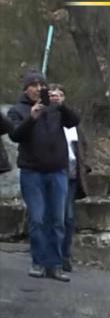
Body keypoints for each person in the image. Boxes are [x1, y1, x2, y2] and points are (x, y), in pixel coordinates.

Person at [7, 70, 79, 281]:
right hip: (32, 172)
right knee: (37, 218)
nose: (38, 88)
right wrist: (31, 118)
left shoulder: (55, 109)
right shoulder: (18, 110)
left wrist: (62, 105)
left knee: (58, 220)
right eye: (33, 84)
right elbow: (14, 134)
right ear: (25, 88)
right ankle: (38, 262)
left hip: (57, 171)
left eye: (41, 84)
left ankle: (54, 264)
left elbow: (74, 121)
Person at [49, 84, 90, 272]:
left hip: (73, 174)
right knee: (59, 215)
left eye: (60, 94)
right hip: (56, 170)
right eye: (53, 94)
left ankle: (64, 255)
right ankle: (54, 255)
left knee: (69, 217)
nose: (57, 98)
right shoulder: (48, 119)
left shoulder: (72, 122)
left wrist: (84, 165)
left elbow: (82, 146)